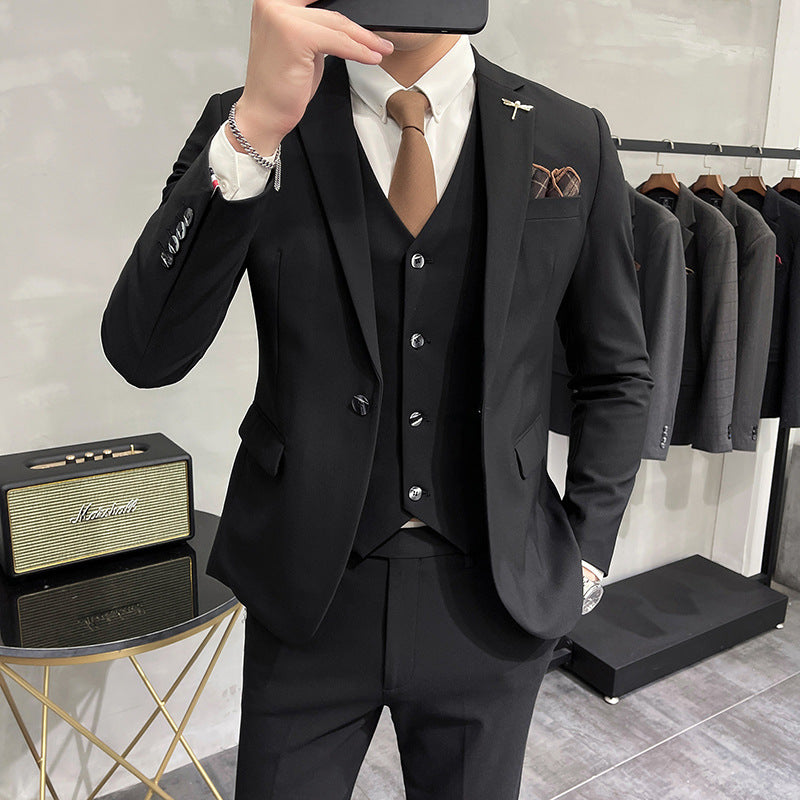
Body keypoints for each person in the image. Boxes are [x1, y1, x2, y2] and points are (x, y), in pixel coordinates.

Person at [101, 1, 653, 798]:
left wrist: (588, 556)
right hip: (308, 594)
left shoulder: (570, 135)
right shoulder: (250, 120)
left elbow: (617, 373)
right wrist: (255, 128)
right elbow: (144, 352)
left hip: (495, 599)